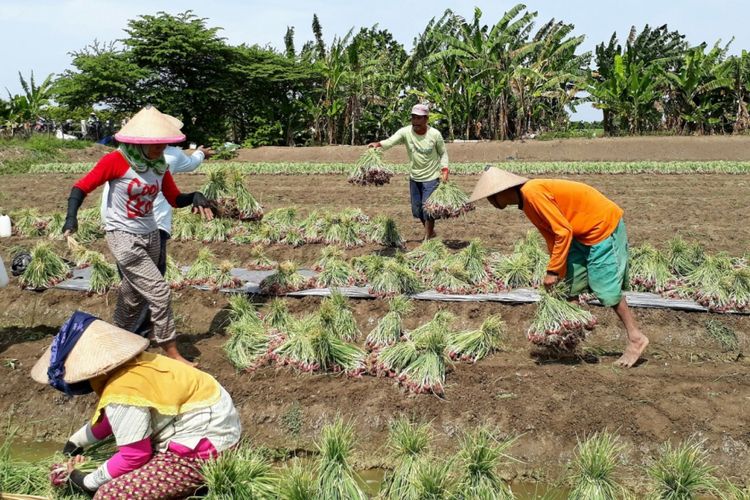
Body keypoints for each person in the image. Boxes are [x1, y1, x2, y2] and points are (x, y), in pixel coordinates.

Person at [62, 105, 215, 365]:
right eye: (154, 144)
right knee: (159, 291)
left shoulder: (159, 165)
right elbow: (81, 186)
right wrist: (71, 217)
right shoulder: (115, 161)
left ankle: (117, 338)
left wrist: (195, 196)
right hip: (122, 235)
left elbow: (174, 198)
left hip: (151, 234)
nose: (160, 149)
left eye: (163, 144)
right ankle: (172, 351)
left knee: (133, 295)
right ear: (138, 142)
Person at [31, 311, 241, 499]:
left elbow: (134, 455)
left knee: (108, 494)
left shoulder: (123, 390)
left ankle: (195, 482)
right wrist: (77, 441)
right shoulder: (139, 363)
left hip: (201, 453)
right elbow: (111, 420)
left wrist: (86, 481)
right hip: (221, 431)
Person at [469, 167, 649, 368]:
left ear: (502, 191)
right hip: (577, 233)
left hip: (601, 228)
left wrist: (552, 271)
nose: (490, 202)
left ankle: (636, 338)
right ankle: (571, 341)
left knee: (605, 287)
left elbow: (562, 231)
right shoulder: (526, 201)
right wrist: (558, 271)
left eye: (490, 197)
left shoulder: (532, 192)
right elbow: (553, 236)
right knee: (571, 285)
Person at [99, 131, 213, 336]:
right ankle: (139, 331)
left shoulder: (123, 153)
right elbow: (191, 164)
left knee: (132, 282)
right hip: (152, 224)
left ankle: (126, 330)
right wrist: (201, 153)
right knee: (152, 283)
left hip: (117, 222)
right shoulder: (170, 156)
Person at [368, 103, 449, 241]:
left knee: (428, 209)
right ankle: (430, 232)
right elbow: (391, 141)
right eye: (413, 118)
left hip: (431, 177)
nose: (416, 121)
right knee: (417, 210)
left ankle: (427, 237)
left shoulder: (435, 134)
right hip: (415, 176)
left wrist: (445, 170)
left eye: (419, 118)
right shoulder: (405, 132)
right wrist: (379, 144)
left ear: (426, 119)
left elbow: (443, 153)